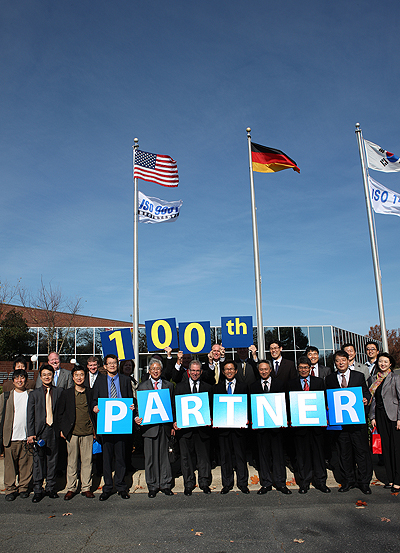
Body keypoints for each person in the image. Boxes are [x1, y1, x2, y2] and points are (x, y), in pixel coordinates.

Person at [325, 350, 373, 494]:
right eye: (338, 361)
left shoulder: (359, 376)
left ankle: (364, 482)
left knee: (361, 452)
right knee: (344, 454)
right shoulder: (330, 379)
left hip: (357, 423)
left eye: (343, 360)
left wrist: (365, 399)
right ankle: (348, 481)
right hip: (340, 424)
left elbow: (366, 393)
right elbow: (327, 397)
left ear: (348, 361)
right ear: (335, 363)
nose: (341, 363)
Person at [92, 354, 135, 501]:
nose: (112, 365)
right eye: (109, 363)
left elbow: (130, 399)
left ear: (118, 364)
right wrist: (95, 407)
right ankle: (108, 487)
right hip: (106, 424)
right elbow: (93, 400)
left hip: (122, 423)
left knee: (121, 457)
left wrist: (132, 407)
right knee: (107, 457)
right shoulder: (100, 380)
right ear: (105, 366)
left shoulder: (125, 379)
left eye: (114, 363)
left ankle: (121, 486)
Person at [287, 356, 330, 494]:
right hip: (300, 427)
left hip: (317, 426)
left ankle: (321, 481)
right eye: (301, 367)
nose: (303, 370)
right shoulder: (291, 383)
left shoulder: (319, 382)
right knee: (302, 455)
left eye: (306, 367)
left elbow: (324, 401)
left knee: (318, 454)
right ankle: (304, 482)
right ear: (297, 368)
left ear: (310, 368)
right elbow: (288, 404)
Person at [135, 357, 175, 498]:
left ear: (161, 370)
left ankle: (165, 484)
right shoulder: (142, 386)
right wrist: (137, 417)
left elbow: (172, 407)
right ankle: (152, 485)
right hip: (149, 429)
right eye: (153, 369)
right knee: (150, 459)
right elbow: (139, 408)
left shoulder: (168, 386)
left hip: (164, 427)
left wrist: (172, 424)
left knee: (164, 457)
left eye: (158, 368)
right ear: (149, 370)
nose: (155, 371)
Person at [249, 360, 290, 494]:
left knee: (278, 455)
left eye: (266, 369)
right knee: (263, 455)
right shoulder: (253, 386)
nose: (264, 371)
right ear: (258, 371)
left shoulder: (280, 384)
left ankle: (281, 483)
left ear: (270, 370)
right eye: (261, 369)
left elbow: (285, 403)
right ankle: (266, 483)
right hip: (260, 428)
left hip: (277, 427)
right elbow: (250, 407)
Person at [174, 360, 212, 495]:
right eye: (193, 370)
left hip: (202, 430)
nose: (195, 373)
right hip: (185, 430)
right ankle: (188, 483)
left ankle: (204, 482)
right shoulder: (179, 387)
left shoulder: (208, 387)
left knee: (204, 458)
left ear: (201, 372)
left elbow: (211, 407)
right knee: (186, 458)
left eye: (197, 371)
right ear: (188, 371)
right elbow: (174, 407)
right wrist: (175, 421)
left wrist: (211, 418)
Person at [57, 365, 96, 500]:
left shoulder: (90, 392)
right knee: (72, 462)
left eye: (81, 375)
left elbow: (94, 410)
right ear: (73, 377)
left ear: (85, 377)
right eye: (76, 375)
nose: (79, 378)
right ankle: (71, 488)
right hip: (72, 432)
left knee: (87, 461)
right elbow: (60, 413)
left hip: (87, 432)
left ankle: (86, 487)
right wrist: (62, 429)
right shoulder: (66, 393)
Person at [27, 364, 64, 502]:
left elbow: (62, 413)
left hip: (53, 430)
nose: (47, 377)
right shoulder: (34, 394)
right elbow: (30, 416)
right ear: (40, 377)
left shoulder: (59, 391)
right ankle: (37, 489)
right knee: (38, 461)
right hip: (39, 432)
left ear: (53, 376)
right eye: (44, 375)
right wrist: (31, 433)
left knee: (52, 460)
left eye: (49, 374)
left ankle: (50, 487)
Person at [213, 359, 249, 494]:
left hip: (239, 429)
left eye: (231, 369)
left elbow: (248, 406)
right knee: (225, 457)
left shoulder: (244, 387)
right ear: (223, 372)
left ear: (236, 371)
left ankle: (242, 483)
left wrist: (247, 419)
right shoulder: (217, 388)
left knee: (240, 456)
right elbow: (214, 407)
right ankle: (227, 484)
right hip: (223, 429)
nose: (229, 371)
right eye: (227, 369)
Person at [0, 368, 33, 500]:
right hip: (10, 437)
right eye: (17, 378)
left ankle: (24, 487)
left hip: (26, 436)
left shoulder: (31, 394)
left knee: (26, 464)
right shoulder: (5, 396)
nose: (20, 380)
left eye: (22, 378)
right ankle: (10, 489)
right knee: (9, 466)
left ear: (26, 380)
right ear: (13, 381)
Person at [369, 352, 400, 493]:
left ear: (390, 364)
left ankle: (398, 479)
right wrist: (373, 416)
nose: (382, 364)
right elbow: (374, 400)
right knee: (385, 448)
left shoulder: (395, 377)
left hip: (393, 416)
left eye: (385, 362)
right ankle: (391, 477)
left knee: (396, 448)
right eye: (380, 361)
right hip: (380, 416)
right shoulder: (374, 379)